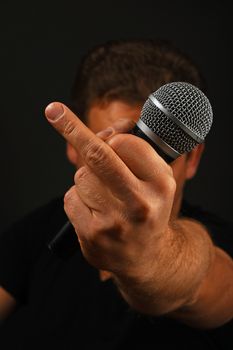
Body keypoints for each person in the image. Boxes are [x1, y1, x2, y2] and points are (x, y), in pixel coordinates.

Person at [0, 39, 232, 349]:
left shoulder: (223, 251)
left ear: (193, 158)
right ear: (75, 146)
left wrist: (153, 255)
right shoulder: (41, 229)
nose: (126, 173)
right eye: (107, 152)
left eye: (153, 157)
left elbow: (205, 284)